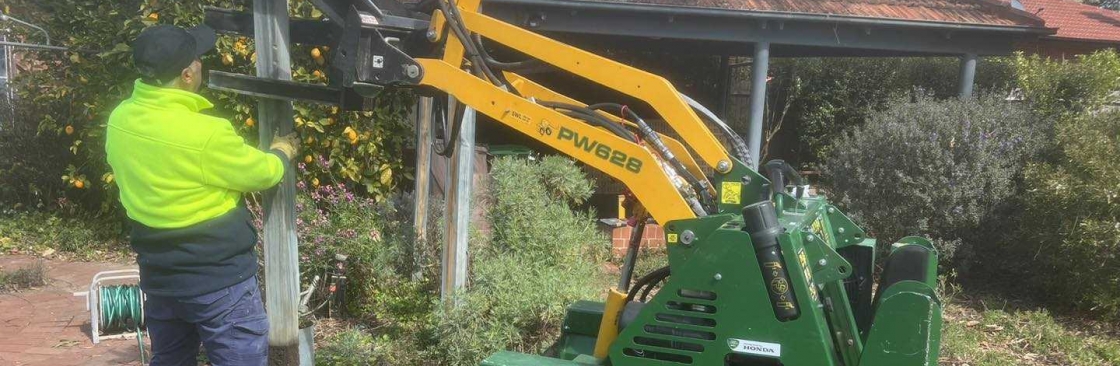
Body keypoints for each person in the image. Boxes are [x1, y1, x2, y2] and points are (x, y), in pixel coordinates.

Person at [106, 24, 299, 366]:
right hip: (218, 280)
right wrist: (281, 152)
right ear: (186, 74)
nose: (200, 64)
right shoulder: (206, 133)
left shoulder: (119, 119)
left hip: (160, 279)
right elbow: (262, 173)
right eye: (197, 59)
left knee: (171, 359)